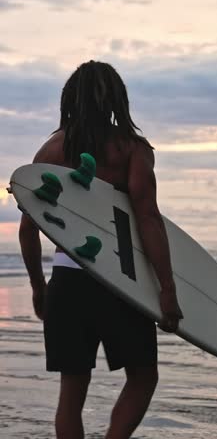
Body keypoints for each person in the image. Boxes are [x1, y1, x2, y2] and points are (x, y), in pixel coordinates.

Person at [19, 60, 183, 439]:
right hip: (120, 284)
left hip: (68, 282)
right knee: (143, 377)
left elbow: (29, 230)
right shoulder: (132, 149)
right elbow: (148, 219)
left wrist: (39, 286)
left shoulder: (52, 148)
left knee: (71, 393)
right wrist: (167, 289)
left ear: (69, 99)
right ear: (117, 100)